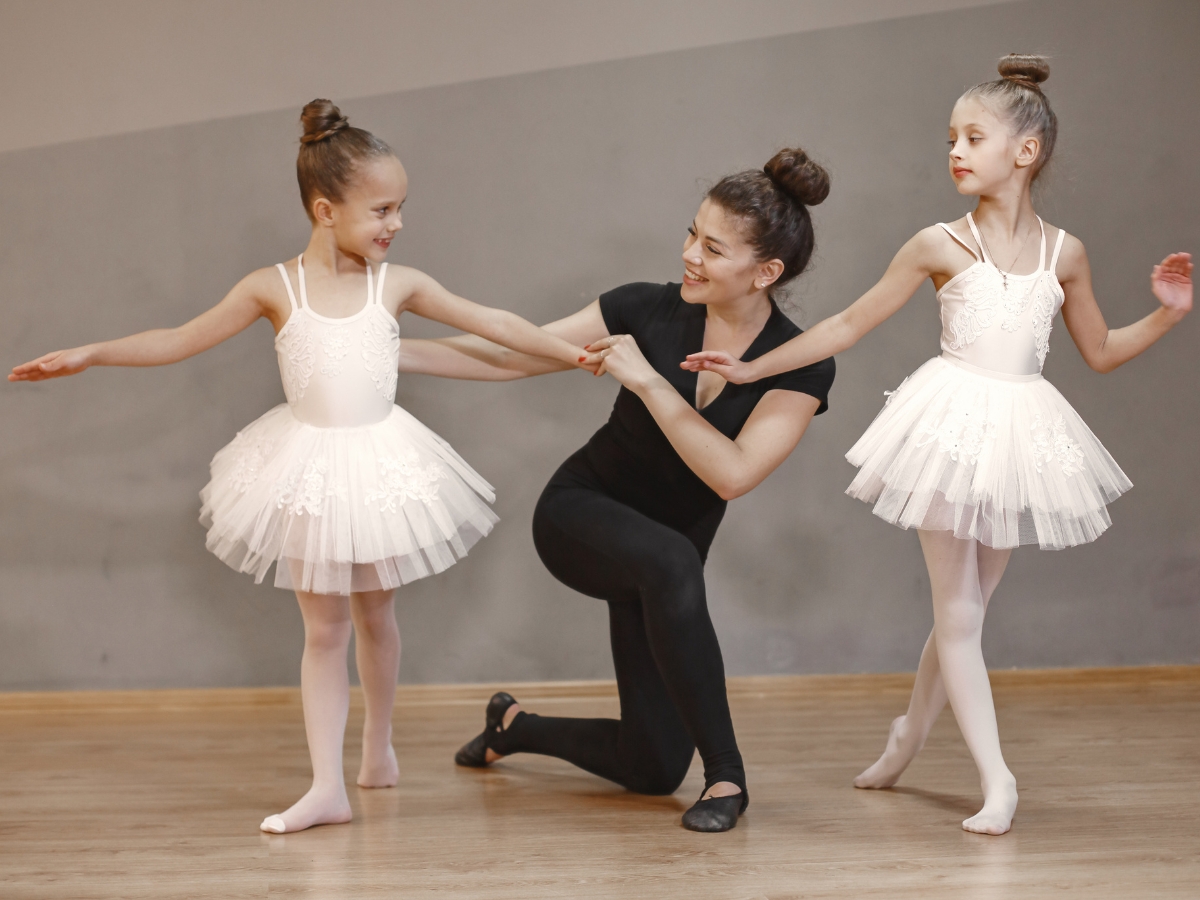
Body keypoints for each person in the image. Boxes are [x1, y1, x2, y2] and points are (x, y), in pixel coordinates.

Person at [8, 100, 596, 834]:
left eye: (401, 207)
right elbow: (179, 339)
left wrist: (570, 352)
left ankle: (377, 745)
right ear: (325, 210)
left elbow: (495, 323)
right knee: (324, 632)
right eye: (382, 208)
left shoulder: (400, 284)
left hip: (380, 465)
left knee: (377, 612)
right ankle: (327, 787)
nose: (397, 223)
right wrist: (90, 353)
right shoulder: (271, 288)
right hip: (306, 470)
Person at [682, 55, 1193, 835]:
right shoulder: (937, 244)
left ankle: (905, 739)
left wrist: (1166, 313)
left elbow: (1100, 351)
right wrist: (753, 365)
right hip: (951, 430)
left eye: (973, 136)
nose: (954, 149)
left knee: (968, 613)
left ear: (1025, 152)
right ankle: (999, 781)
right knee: (958, 612)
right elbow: (846, 325)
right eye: (951, 136)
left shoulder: (1068, 254)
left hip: (1021, 435)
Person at [394, 148, 837, 832]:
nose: (689, 253)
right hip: (579, 516)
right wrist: (384, 353)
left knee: (653, 766)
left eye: (713, 247)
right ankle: (728, 777)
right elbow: (515, 355)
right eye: (691, 232)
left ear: (766, 272)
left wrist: (650, 382)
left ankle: (512, 725)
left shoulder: (797, 364)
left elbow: (733, 473)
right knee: (671, 562)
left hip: (665, 569)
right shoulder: (643, 308)